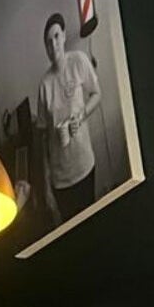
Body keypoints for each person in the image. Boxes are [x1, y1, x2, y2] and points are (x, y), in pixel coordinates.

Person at [35, 12, 103, 223]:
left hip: (84, 165)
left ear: (64, 36)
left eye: (56, 36)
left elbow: (97, 94)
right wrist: (47, 186)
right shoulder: (44, 85)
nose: (53, 44)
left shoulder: (78, 61)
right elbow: (43, 138)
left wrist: (81, 116)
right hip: (60, 180)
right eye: (48, 42)